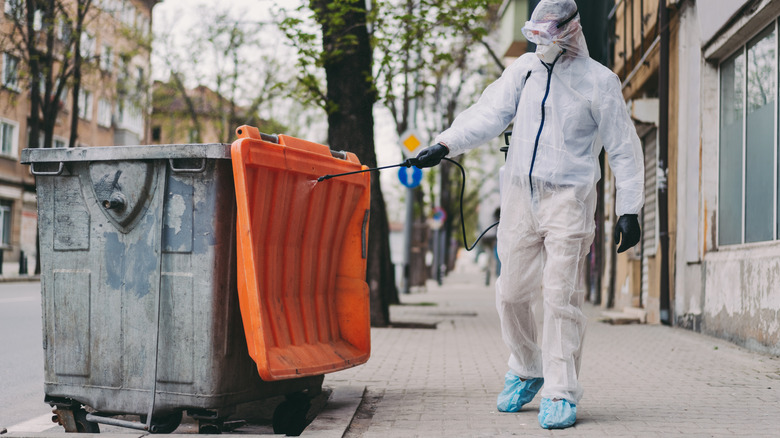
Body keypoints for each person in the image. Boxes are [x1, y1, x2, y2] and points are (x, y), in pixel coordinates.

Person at [414, 0, 643, 429]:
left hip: (569, 200)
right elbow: (488, 113)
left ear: (571, 30)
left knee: (561, 297)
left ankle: (561, 389)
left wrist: (629, 208)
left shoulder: (599, 81)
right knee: (511, 292)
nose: (541, 42)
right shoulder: (524, 71)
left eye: (548, 34)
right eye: (535, 34)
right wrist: (445, 144)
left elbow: (625, 148)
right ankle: (526, 368)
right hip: (520, 195)